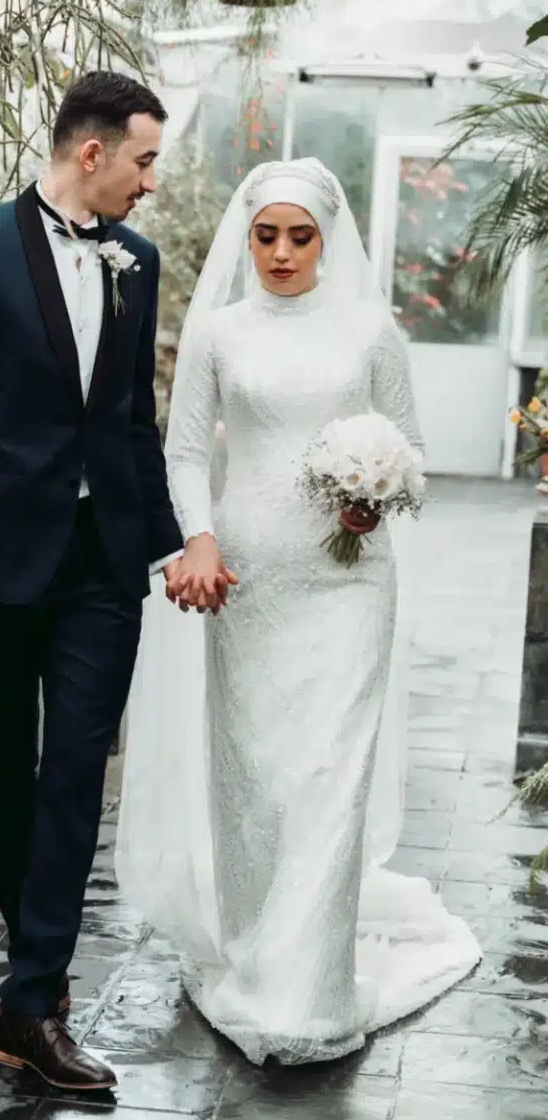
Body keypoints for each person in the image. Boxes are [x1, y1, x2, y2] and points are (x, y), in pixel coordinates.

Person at [117, 157, 482, 1067]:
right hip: (244, 578)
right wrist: (197, 540)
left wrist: (377, 495)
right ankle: (250, 955)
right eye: (265, 235)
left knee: (327, 775)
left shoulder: (369, 332)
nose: (280, 253)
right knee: (256, 782)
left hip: (350, 580)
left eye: (299, 235)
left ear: (327, 238)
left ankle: (308, 994)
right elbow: (186, 453)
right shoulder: (221, 333)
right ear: (248, 240)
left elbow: (415, 453)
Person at [0, 72, 188, 1091]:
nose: (149, 183)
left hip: (101, 566)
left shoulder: (135, 262)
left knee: (74, 773)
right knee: (11, 785)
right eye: (143, 161)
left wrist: (168, 543)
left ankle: (31, 1000)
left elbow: (127, 425)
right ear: (90, 153)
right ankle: (33, 983)